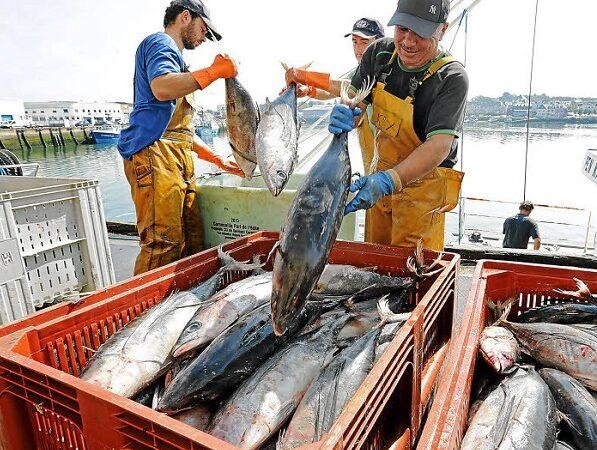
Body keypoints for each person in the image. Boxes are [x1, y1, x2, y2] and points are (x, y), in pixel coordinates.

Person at [329, 0, 469, 252]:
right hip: (379, 187)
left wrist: (388, 181)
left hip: (422, 196)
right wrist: (348, 111)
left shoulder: (451, 78)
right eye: (402, 28)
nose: (407, 41)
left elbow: (439, 146)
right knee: (374, 264)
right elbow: (356, 99)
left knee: (413, 272)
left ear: (442, 29)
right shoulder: (379, 54)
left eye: (420, 32)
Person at [118, 0, 242, 275]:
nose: (204, 38)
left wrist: (218, 159)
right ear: (186, 17)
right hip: (154, 154)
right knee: (161, 244)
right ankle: (143, 314)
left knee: (190, 239)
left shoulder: (180, 63)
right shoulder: (160, 44)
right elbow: (161, 88)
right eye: (203, 30)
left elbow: (180, 130)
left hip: (177, 156)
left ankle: (177, 306)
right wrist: (213, 72)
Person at [284, 18, 385, 175]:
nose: (358, 49)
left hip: (395, 168)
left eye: (365, 42)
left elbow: (346, 86)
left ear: (380, 44)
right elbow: (337, 90)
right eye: (354, 42)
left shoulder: (388, 71)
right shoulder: (358, 72)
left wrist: (306, 77)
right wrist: (308, 90)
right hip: (372, 167)